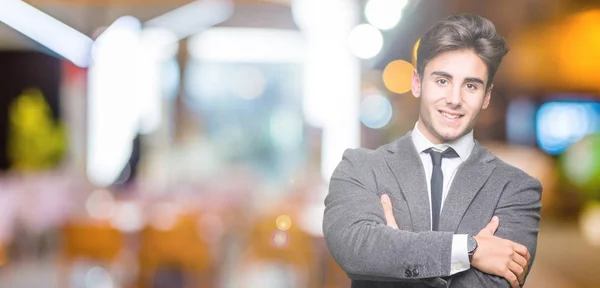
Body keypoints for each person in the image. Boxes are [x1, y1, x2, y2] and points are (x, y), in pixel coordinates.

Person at [323, 14, 542, 288]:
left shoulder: (516, 189)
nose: (454, 99)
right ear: (417, 83)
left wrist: (393, 260)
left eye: (471, 85)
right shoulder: (360, 168)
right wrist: (469, 249)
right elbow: (355, 250)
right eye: (442, 81)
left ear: (486, 96)